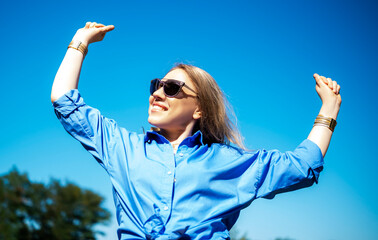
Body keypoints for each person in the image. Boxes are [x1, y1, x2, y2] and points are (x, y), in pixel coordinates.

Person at [51, 22, 341, 240]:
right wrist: (80, 42)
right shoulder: (122, 148)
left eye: (172, 88)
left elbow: (302, 166)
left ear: (199, 109)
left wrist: (329, 109)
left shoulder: (230, 161)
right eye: (156, 86)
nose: (157, 94)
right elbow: (65, 102)